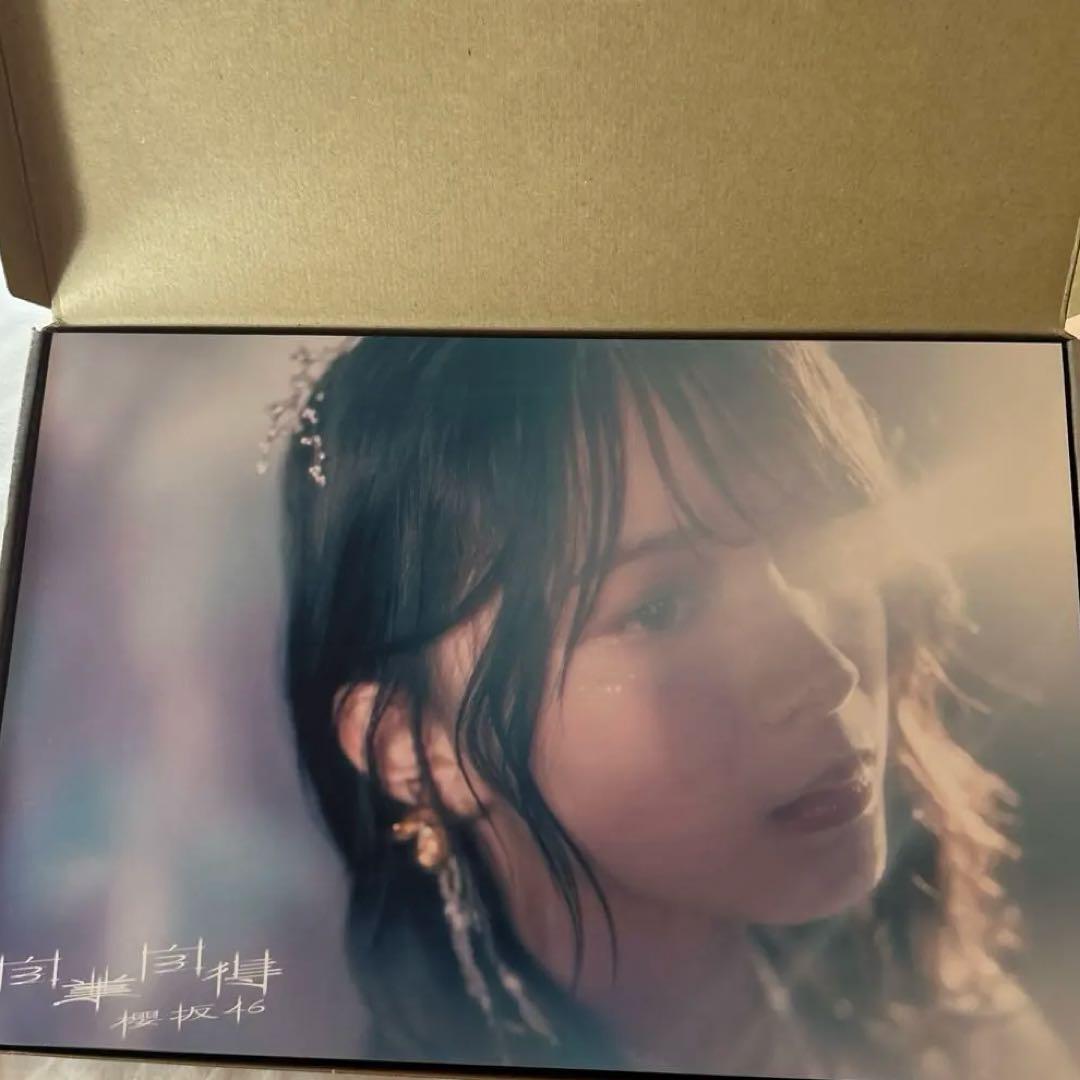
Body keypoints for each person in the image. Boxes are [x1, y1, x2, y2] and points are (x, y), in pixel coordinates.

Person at [276, 336, 1077, 1078]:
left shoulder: (934, 1007)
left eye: (818, 543)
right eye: (660, 607)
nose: (824, 670)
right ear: (416, 748)